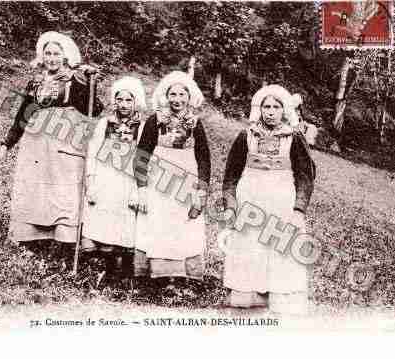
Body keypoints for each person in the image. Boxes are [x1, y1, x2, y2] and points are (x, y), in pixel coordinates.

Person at [0, 31, 103, 263]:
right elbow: (23, 116)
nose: (51, 58)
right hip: (36, 146)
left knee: (63, 192)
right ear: (42, 56)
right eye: (47, 53)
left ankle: (64, 244)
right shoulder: (35, 82)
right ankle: (34, 240)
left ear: (65, 56)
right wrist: (5, 145)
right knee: (36, 190)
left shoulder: (76, 80)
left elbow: (95, 109)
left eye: (56, 53)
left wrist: (91, 83)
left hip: (65, 142)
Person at [220, 84, 316, 314]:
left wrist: (298, 210)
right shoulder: (246, 135)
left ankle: (281, 297)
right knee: (248, 246)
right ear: (259, 109)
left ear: (284, 110)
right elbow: (231, 175)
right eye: (266, 107)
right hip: (249, 201)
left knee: (281, 247)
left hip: (282, 202)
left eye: (276, 107)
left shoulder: (294, 137)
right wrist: (231, 206)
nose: (270, 111)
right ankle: (248, 295)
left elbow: (306, 177)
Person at [133, 71, 211, 280]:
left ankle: (183, 276)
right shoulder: (154, 121)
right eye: (172, 95)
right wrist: (141, 188)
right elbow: (141, 156)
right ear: (165, 96)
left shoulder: (195, 124)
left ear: (189, 97)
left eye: (181, 95)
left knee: (185, 223)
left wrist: (202, 191)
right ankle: (157, 275)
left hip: (187, 180)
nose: (177, 100)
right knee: (158, 222)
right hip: (159, 179)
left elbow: (204, 158)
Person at [81, 76, 147, 283]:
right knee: (100, 219)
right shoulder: (104, 123)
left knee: (123, 223)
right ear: (114, 101)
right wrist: (90, 182)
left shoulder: (143, 127)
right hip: (104, 178)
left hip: (127, 180)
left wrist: (138, 189)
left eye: (129, 100)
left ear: (136, 102)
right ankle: (97, 268)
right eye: (120, 100)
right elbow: (92, 152)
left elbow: (144, 159)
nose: (124, 105)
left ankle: (120, 272)